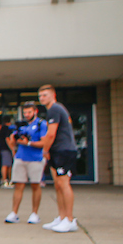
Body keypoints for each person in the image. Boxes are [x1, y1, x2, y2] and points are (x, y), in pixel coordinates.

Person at [38, 85, 79, 232]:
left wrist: (45, 150)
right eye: (40, 95)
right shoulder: (53, 110)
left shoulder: (54, 109)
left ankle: (69, 219)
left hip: (64, 151)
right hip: (57, 151)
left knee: (63, 183)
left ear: (53, 95)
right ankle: (61, 217)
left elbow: (51, 134)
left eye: (45, 95)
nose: (42, 98)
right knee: (58, 184)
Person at [5, 101, 48, 224]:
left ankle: (35, 214)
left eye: (29, 112)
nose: (27, 115)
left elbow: (43, 143)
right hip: (20, 157)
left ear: (35, 111)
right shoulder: (21, 125)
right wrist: (13, 140)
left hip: (35, 159)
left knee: (35, 185)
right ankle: (14, 213)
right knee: (18, 185)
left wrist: (28, 143)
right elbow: (13, 143)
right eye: (25, 113)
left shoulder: (41, 124)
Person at [0, 117, 15, 188]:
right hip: (6, 149)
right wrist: (12, 149)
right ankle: (5, 181)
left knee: (8, 165)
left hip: (2, 149)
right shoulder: (7, 129)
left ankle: (8, 180)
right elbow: (7, 139)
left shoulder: (1, 129)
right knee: (6, 165)